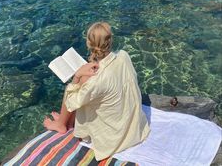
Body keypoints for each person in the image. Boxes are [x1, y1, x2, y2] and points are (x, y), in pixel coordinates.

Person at [43, 22, 150, 161]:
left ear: (89, 43)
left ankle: (62, 124)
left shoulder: (97, 81)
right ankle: (66, 121)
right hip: (133, 127)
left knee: (76, 86)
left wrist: (77, 76)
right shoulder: (124, 56)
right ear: (110, 41)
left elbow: (71, 102)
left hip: (114, 138)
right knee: (85, 81)